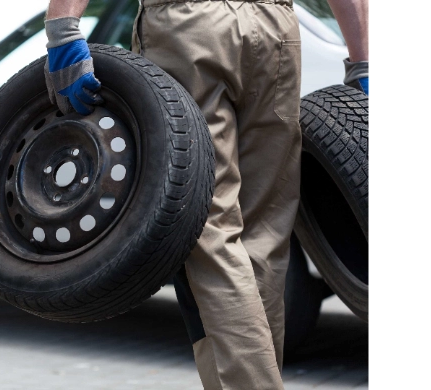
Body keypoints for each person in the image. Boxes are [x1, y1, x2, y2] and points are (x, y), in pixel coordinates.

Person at [43, 0, 368, 388]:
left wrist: (62, 25)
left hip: (190, 25)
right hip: (275, 27)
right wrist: (363, 58)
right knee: (264, 231)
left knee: (206, 224)